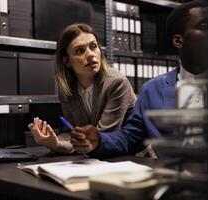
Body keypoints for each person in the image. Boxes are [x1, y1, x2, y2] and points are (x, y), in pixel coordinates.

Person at [70, 0, 208, 157]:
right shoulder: (153, 89)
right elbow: (131, 138)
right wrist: (99, 140)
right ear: (178, 41)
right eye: (205, 26)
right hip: (173, 177)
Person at [28, 23, 136, 153]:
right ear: (66, 61)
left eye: (93, 46)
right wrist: (55, 143)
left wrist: (73, 140)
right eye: (79, 51)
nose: (90, 54)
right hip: (97, 159)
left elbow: (99, 138)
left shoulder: (116, 83)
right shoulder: (67, 89)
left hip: (130, 156)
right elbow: (74, 133)